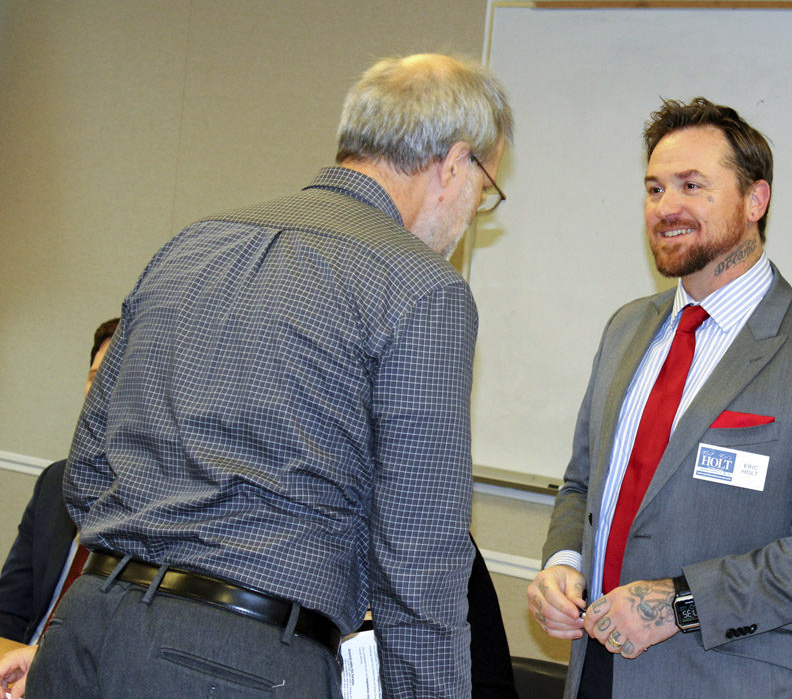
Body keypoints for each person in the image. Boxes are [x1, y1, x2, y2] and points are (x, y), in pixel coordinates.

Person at [27, 53, 513, 698]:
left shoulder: (193, 243)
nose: (470, 217)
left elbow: (88, 470)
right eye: (484, 193)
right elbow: (420, 562)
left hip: (82, 634)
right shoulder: (422, 289)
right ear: (453, 164)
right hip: (239, 662)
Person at [527, 97, 792, 698]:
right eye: (653, 188)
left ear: (756, 201)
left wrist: (681, 602)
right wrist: (562, 563)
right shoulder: (626, 329)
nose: (666, 207)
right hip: (596, 673)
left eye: (692, 185)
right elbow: (582, 484)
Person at [0, 319, 117, 698]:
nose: (100, 392)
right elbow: (9, 609)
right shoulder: (57, 480)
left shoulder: (164, 507)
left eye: (118, 378)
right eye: (95, 376)